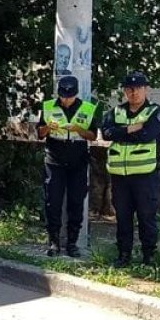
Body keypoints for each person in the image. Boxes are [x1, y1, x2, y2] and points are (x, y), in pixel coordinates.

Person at [101, 71, 160, 267]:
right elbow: (105, 133)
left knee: (146, 216)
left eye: (137, 88)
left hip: (145, 175)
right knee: (122, 217)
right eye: (129, 89)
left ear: (145, 89)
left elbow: (147, 135)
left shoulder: (156, 112)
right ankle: (123, 255)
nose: (133, 92)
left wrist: (119, 133)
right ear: (124, 91)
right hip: (120, 176)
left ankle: (149, 257)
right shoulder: (115, 112)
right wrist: (130, 129)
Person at [36, 75, 99, 257]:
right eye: (63, 96)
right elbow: (40, 133)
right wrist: (48, 127)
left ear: (76, 94)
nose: (65, 100)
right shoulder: (48, 106)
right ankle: (53, 242)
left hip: (77, 161)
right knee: (52, 201)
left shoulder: (86, 108)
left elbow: (93, 136)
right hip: (54, 160)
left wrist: (78, 130)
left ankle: (72, 243)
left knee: (76, 202)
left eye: (69, 96)